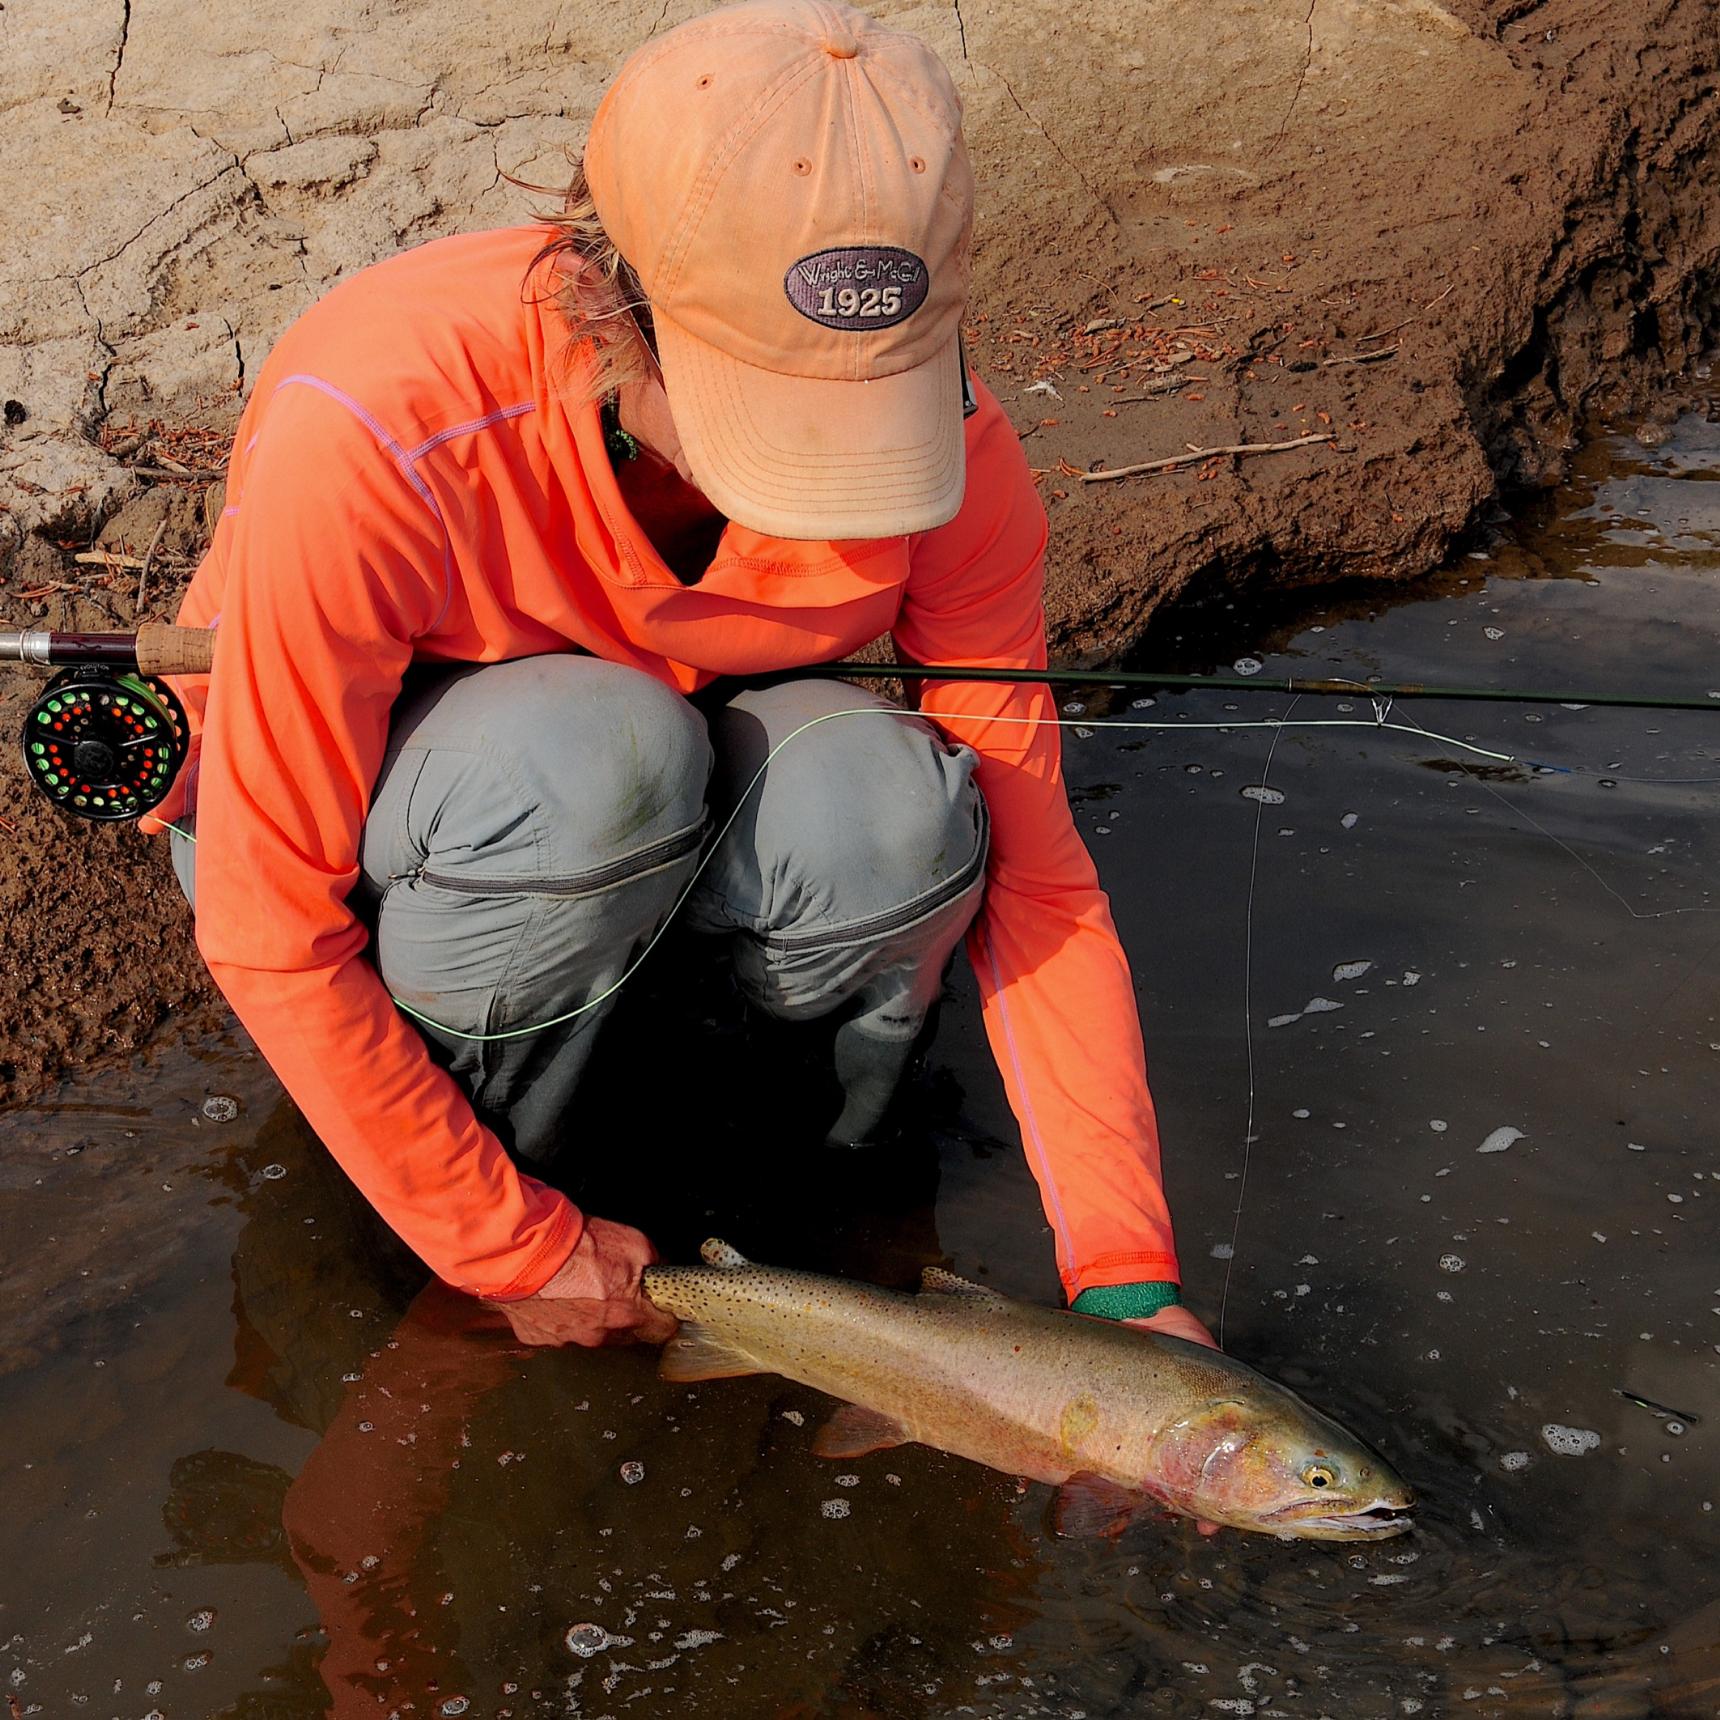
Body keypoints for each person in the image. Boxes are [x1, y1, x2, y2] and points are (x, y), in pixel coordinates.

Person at [148, 0, 1215, 1356]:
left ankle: (789, 1191)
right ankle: (448, 1201)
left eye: (862, 409)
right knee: (594, 758)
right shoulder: (379, 421)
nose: (833, 477)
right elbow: (268, 928)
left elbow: (1039, 877)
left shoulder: (962, 448)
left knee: (893, 817)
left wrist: (1126, 1278)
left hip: (646, 799)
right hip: (402, 826)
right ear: (604, 302)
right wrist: (509, 1246)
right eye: (774, 408)